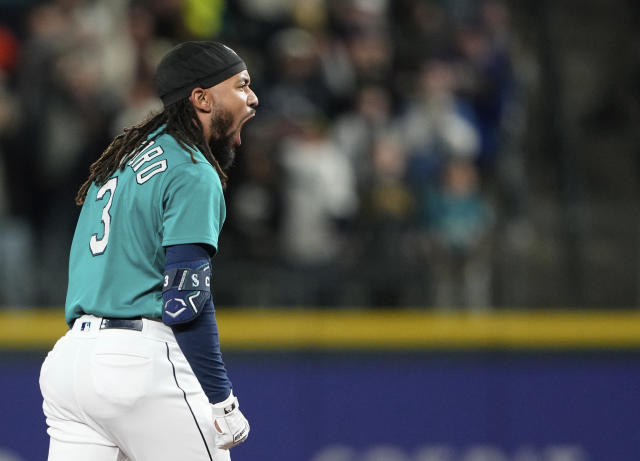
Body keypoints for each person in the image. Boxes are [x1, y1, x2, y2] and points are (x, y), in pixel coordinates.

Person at [38, 41, 259, 461]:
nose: (253, 97)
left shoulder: (120, 161)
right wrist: (222, 399)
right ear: (202, 98)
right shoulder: (192, 169)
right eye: (241, 85)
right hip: (136, 364)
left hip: (70, 363)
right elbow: (186, 301)